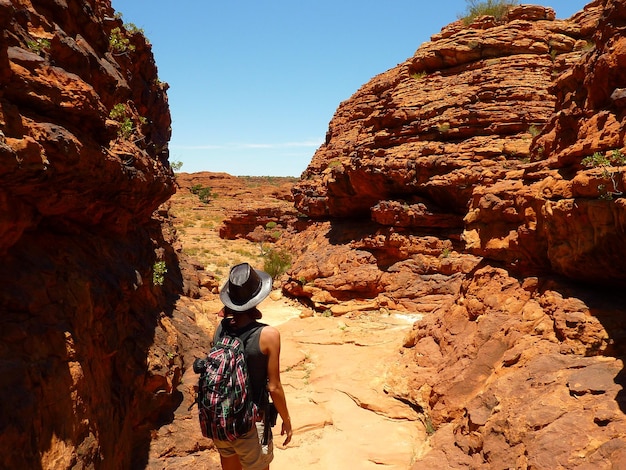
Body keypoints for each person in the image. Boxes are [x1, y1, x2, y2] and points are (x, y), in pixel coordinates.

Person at [212, 262, 293, 470]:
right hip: (251, 422)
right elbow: (273, 386)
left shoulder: (220, 329)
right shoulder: (268, 335)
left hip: (222, 419)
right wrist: (286, 419)